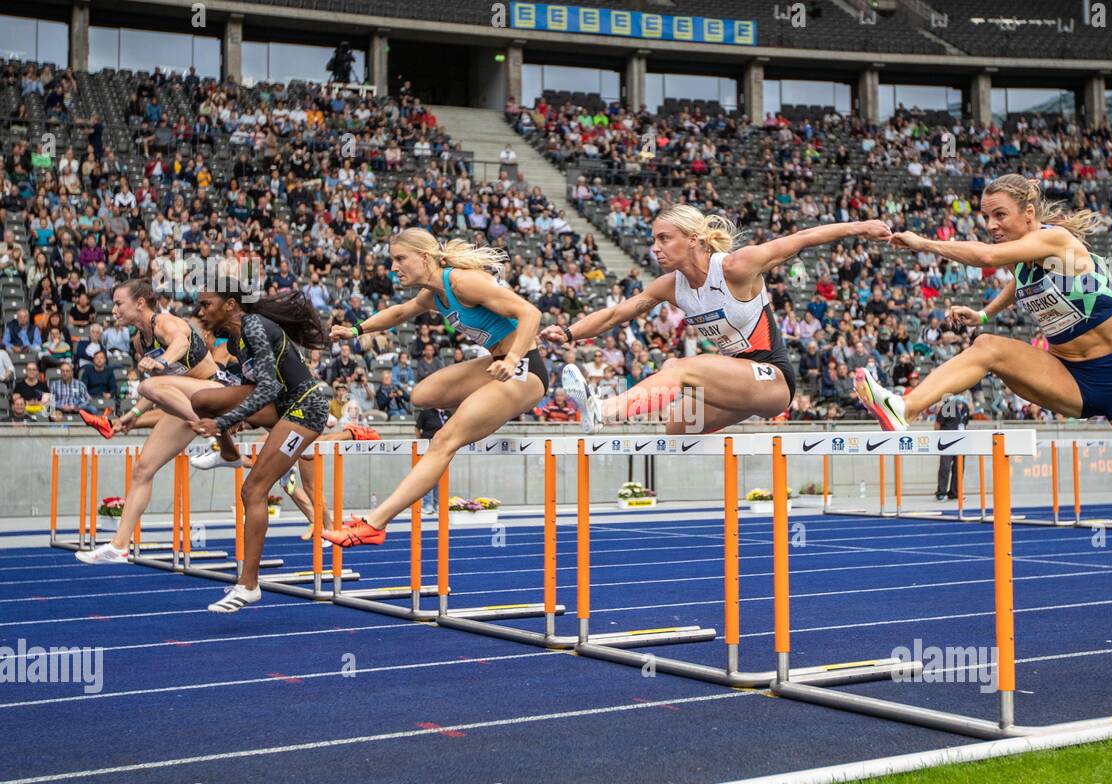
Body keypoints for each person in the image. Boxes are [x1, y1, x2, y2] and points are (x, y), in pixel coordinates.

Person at [859, 174, 1112, 577]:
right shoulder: (1023, 257)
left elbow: (987, 260)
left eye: (999, 215)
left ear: (1029, 213)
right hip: (1070, 377)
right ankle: (904, 407)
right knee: (986, 345)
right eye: (986, 217)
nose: (991, 226)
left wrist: (925, 243)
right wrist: (984, 314)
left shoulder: (1059, 243)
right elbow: (1018, 283)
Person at [543, 205, 892, 433]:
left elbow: (800, 238)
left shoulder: (735, 267)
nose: (655, 248)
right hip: (735, 383)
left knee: (676, 367)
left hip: (772, 378)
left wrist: (860, 227)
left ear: (693, 239)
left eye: (664, 238)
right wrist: (568, 332)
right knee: (678, 426)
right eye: (653, 240)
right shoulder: (671, 286)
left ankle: (603, 409)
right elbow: (617, 313)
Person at [322, 229, 544, 548]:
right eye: (392, 260)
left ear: (424, 258)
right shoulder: (434, 295)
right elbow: (399, 313)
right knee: (421, 395)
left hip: (523, 371)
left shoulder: (462, 282)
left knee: (442, 441)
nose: (394, 267)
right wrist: (355, 330)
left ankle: (375, 523)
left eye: (400, 259)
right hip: (495, 365)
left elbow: (530, 313)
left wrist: (511, 359)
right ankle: (482, 414)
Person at [74, 279, 243, 565]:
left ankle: (213, 429)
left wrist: (163, 360)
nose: (113, 310)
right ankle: (119, 545)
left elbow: (182, 342)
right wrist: (134, 414)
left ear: (140, 303)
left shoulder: (165, 322)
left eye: (119, 303)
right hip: (189, 404)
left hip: (216, 392)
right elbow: (157, 387)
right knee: (143, 468)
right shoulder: (139, 340)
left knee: (148, 386)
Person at [186, 288, 332, 612]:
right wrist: (242, 420)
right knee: (201, 401)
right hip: (282, 408)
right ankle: (229, 454)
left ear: (230, 305)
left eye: (207, 304)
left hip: (304, 411)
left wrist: (228, 419)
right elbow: (258, 387)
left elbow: (269, 386)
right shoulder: (236, 342)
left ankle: (249, 584)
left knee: (253, 490)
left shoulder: (253, 326)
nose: (201, 312)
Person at [934, 391, 971, 501]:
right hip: (946, 442)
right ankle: (941, 492)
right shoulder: (948, 406)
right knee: (945, 467)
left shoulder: (965, 407)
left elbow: (965, 423)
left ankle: (954, 492)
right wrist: (938, 439)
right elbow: (937, 424)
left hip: (960, 441)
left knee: (959, 467)